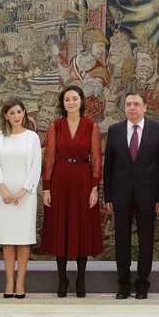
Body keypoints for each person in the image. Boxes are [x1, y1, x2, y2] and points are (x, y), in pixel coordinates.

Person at [101, 92, 159, 299]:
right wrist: (108, 196)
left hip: (148, 196)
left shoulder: (157, 130)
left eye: (136, 104)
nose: (132, 107)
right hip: (120, 195)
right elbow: (108, 166)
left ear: (145, 107)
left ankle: (142, 285)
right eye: (128, 104)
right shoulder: (115, 130)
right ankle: (123, 285)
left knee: (146, 241)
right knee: (122, 241)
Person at [40, 84, 103, 297]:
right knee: (61, 227)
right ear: (63, 103)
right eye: (67, 99)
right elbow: (49, 158)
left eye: (75, 98)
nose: (71, 102)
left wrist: (94, 187)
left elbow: (96, 159)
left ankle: (81, 280)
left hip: (83, 180)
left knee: (82, 226)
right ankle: (62, 280)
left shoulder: (91, 126)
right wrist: (46, 188)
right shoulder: (56, 126)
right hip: (60, 180)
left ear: (81, 101)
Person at [0, 97, 42, 298]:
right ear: (6, 116)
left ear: (24, 113)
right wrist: (3, 190)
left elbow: (36, 167)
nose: (16, 116)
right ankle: (9, 281)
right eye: (12, 113)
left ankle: (21, 283)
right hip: (3, 196)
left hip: (25, 196)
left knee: (23, 240)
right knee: (8, 241)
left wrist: (22, 192)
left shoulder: (32, 138)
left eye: (19, 112)